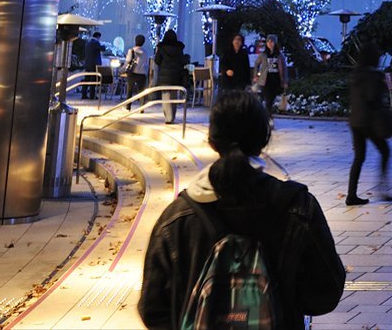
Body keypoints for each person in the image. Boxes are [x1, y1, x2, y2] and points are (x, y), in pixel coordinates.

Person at [139, 91, 346, 330]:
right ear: (263, 141)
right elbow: (325, 293)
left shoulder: (177, 218)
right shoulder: (298, 208)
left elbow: (152, 310)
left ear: (212, 142)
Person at [345, 42, 392, 205]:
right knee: (385, 151)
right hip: (369, 121)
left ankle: (351, 195)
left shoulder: (356, 74)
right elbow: (374, 98)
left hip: (355, 121)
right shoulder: (374, 76)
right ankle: (383, 189)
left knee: (359, 157)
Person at [257, 38, 288, 115]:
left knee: (271, 99)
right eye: (268, 42)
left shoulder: (279, 55)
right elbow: (256, 64)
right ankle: (268, 116)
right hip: (266, 80)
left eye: (272, 42)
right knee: (268, 99)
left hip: (276, 79)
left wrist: (285, 81)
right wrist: (256, 75)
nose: (270, 43)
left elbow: (284, 68)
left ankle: (268, 115)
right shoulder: (263, 54)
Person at [125, 33, 149, 99]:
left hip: (132, 73)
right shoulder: (145, 52)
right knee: (141, 92)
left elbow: (127, 61)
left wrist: (121, 70)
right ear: (143, 42)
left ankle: (128, 107)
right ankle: (142, 107)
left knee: (129, 91)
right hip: (142, 73)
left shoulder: (131, 51)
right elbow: (146, 63)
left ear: (135, 41)